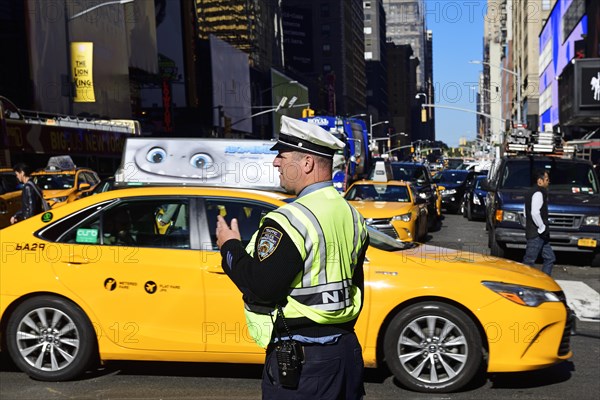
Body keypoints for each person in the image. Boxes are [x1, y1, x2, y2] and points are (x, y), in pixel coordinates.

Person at [216, 115, 369, 399]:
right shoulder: (353, 215)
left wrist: (229, 247)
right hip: (346, 351)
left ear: (307, 163)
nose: (276, 163)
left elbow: (262, 288)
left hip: (305, 362)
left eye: (282, 156)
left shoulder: (289, 219)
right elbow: (355, 283)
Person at [522, 169, 555, 275]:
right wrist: (542, 227)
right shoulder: (538, 193)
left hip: (539, 234)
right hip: (536, 234)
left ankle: (545, 283)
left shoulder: (530, 192)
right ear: (539, 181)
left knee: (550, 258)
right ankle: (524, 284)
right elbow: (535, 213)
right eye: (546, 179)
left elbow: (525, 212)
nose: (548, 182)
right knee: (529, 262)